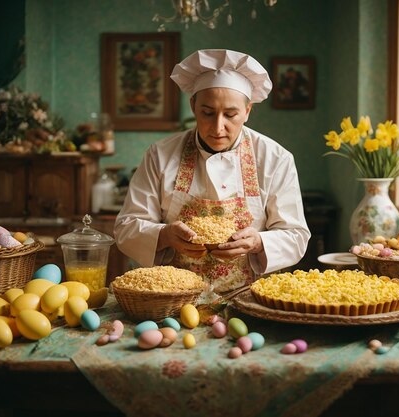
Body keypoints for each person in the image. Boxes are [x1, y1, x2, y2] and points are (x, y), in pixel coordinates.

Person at [114, 49, 311, 293]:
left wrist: (258, 242)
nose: (218, 127)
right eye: (207, 113)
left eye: (230, 114)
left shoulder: (274, 158)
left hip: (250, 297)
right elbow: (126, 227)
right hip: (173, 298)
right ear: (193, 106)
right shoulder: (160, 155)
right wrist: (164, 235)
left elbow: (296, 235)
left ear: (247, 111)